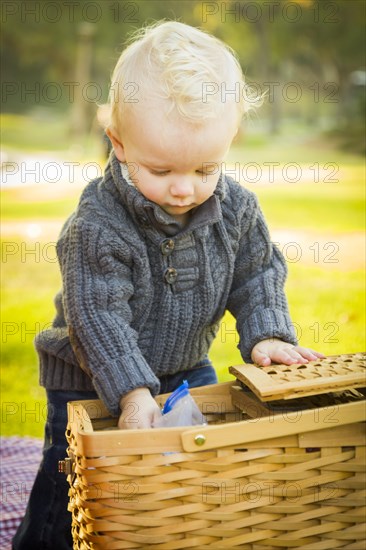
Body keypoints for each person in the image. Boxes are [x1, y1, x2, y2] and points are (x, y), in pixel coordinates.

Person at [13, 20, 324, 549]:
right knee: (76, 482)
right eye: (160, 169)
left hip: (185, 368)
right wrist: (133, 394)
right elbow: (98, 319)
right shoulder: (97, 226)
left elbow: (257, 273)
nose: (183, 189)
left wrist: (268, 333)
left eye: (206, 168)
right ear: (118, 143)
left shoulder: (237, 210)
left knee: (184, 472)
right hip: (88, 378)